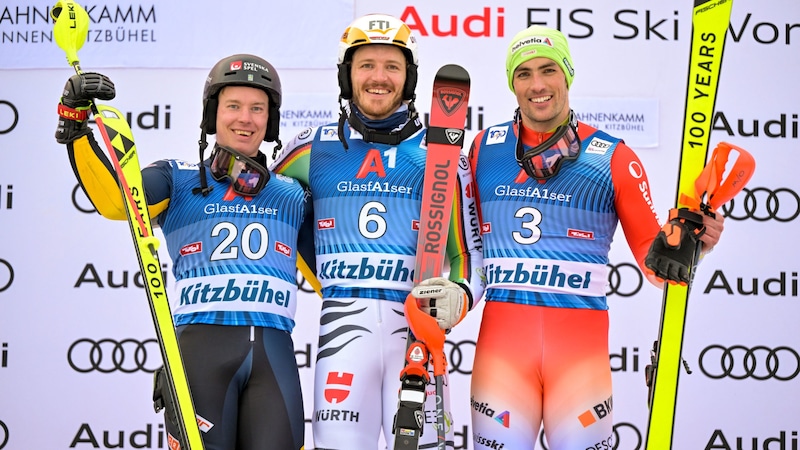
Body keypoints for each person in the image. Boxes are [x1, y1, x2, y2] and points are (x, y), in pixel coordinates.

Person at [467, 26, 724, 449]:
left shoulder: (613, 157)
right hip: (502, 358)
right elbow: (460, 246)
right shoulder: (483, 149)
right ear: (511, 83)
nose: (537, 85)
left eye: (548, 70)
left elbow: (657, 265)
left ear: (567, 75)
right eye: (523, 73)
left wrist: (694, 246)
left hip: (579, 362)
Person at [55, 54, 309, 450]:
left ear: (270, 120)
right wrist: (76, 125)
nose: (246, 118)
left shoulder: (292, 192)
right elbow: (117, 203)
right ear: (212, 115)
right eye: (234, 106)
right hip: (201, 354)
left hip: (274, 357)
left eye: (258, 108)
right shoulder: (177, 177)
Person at [269, 13, 485, 450]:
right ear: (347, 76)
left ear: (409, 79)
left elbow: (471, 258)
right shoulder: (310, 148)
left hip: (417, 339)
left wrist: (461, 295)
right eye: (366, 65)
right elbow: (261, 214)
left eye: (393, 66)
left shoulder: (440, 155)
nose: (379, 77)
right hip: (341, 338)